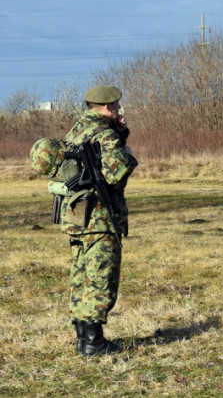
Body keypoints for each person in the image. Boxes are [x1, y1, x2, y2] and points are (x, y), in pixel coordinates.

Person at [62, 85, 138, 355]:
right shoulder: (104, 133)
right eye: (117, 106)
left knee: (81, 275)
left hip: (76, 215)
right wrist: (127, 152)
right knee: (100, 277)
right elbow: (116, 173)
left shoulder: (76, 131)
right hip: (99, 217)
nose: (119, 110)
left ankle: (83, 338)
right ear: (107, 107)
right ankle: (94, 343)